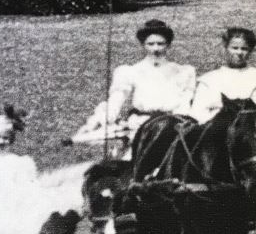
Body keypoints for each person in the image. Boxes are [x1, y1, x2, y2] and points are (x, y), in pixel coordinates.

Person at [74, 19, 196, 153]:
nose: (155, 49)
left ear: (168, 45)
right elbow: (116, 101)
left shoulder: (184, 72)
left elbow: (185, 103)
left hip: (172, 127)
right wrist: (98, 121)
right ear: (143, 45)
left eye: (160, 44)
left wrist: (180, 126)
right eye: (151, 44)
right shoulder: (130, 72)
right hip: (139, 127)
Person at [189, 27, 256, 128]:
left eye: (244, 49)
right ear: (225, 48)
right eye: (234, 48)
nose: (239, 53)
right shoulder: (208, 80)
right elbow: (197, 115)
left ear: (250, 51)